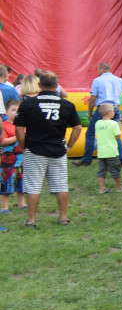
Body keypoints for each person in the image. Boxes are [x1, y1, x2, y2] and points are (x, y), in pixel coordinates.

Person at [15, 71, 82, 228]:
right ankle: (63, 217)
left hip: (34, 149)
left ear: (39, 85)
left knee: (33, 185)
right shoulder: (67, 105)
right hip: (58, 149)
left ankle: (31, 220)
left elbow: (19, 129)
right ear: (57, 85)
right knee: (61, 185)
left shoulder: (28, 104)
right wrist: (70, 146)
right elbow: (78, 128)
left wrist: (23, 146)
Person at [76, 62, 122, 166]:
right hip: (115, 109)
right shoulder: (120, 80)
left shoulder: (97, 80)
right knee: (116, 134)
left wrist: (89, 112)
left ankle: (87, 159)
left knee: (90, 133)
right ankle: (121, 160)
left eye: (98, 70)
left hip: (103, 109)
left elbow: (92, 99)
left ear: (101, 69)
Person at [0, 98, 25, 218]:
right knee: (7, 182)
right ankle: (4, 207)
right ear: (6, 111)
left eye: (18, 110)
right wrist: (17, 137)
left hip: (23, 159)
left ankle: (22, 203)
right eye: (13, 110)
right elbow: (3, 141)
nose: (16, 112)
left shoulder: (24, 125)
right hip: (8, 160)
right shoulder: (4, 126)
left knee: (22, 182)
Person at [94, 104, 122, 194]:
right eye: (113, 111)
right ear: (110, 113)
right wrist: (120, 129)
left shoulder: (97, 123)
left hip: (101, 151)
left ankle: (102, 188)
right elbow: (117, 137)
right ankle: (119, 188)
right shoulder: (114, 124)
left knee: (101, 170)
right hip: (111, 151)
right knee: (115, 170)